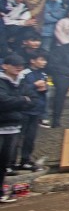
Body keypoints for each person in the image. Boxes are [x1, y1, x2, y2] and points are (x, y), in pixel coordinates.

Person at [0, 54, 33, 201]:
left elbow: (33, 99)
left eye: (21, 65)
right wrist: (22, 100)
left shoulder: (22, 82)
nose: (18, 67)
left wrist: (19, 101)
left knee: (4, 161)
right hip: (2, 123)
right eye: (15, 65)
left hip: (13, 126)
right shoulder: (2, 82)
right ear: (5, 66)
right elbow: (3, 101)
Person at [16, 52, 48, 170]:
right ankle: (12, 161)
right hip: (24, 110)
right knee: (18, 137)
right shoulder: (24, 73)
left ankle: (25, 160)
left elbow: (44, 93)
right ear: (32, 60)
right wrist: (35, 85)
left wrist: (44, 89)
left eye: (45, 60)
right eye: (41, 59)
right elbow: (20, 89)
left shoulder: (43, 74)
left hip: (36, 110)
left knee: (30, 138)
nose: (44, 62)